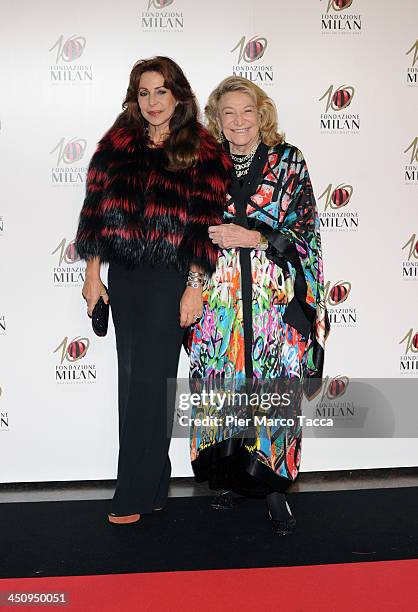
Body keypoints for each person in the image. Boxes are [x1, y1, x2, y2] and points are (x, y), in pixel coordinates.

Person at [74, 56, 231, 525]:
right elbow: (97, 213)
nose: (153, 101)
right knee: (136, 380)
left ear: (179, 95)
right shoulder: (116, 143)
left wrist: (194, 287)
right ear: (133, 98)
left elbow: (206, 225)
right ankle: (156, 479)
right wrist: (92, 274)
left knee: (150, 381)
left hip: (170, 278)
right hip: (124, 274)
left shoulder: (203, 148)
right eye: (144, 93)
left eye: (161, 91)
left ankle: (134, 491)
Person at [185, 76, 329, 535]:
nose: (238, 120)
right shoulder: (204, 165)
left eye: (247, 110)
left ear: (261, 113)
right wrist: (192, 284)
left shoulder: (290, 163)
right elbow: (191, 233)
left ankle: (272, 486)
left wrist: (256, 238)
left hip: (274, 294)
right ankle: (228, 476)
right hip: (220, 295)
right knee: (223, 379)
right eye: (228, 113)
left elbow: (306, 232)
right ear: (217, 119)